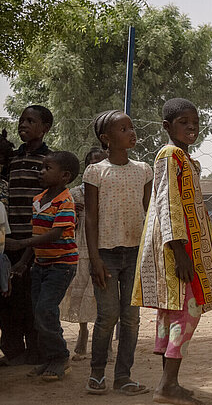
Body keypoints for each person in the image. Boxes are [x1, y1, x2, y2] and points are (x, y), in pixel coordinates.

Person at [132, 98, 212, 405]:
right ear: (167, 127)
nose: (191, 127)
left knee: (172, 312)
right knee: (186, 313)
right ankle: (166, 385)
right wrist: (180, 252)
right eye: (184, 122)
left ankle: (169, 383)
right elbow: (166, 203)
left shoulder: (186, 159)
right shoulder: (170, 155)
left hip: (182, 248)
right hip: (177, 249)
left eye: (195, 122)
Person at [83, 110, 153, 396]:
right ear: (106, 139)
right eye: (123, 129)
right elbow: (90, 218)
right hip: (106, 255)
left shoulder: (144, 170)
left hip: (135, 253)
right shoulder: (95, 172)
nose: (131, 132)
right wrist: (94, 259)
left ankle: (123, 376)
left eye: (132, 127)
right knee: (107, 315)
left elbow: (149, 213)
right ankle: (97, 373)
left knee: (132, 319)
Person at [6, 151, 80, 381]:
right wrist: (23, 261)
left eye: (47, 168)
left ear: (65, 176)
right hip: (40, 265)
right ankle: (49, 359)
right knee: (40, 315)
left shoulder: (66, 202)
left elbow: (55, 234)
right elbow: (37, 232)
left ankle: (60, 357)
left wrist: (20, 243)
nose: (41, 172)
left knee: (45, 311)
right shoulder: (38, 200)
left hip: (61, 266)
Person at [0, 105, 53, 367]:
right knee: (9, 299)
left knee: (33, 299)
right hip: (8, 241)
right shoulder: (11, 158)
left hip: (34, 242)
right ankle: (13, 352)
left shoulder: (49, 161)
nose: (24, 124)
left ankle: (36, 351)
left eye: (31, 121)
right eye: (22, 120)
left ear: (45, 128)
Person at [59, 147, 106, 362]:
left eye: (100, 163)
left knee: (103, 293)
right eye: (92, 164)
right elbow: (67, 222)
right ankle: (83, 330)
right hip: (83, 245)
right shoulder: (76, 193)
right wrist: (75, 212)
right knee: (82, 286)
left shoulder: (112, 189)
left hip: (106, 244)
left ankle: (104, 342)